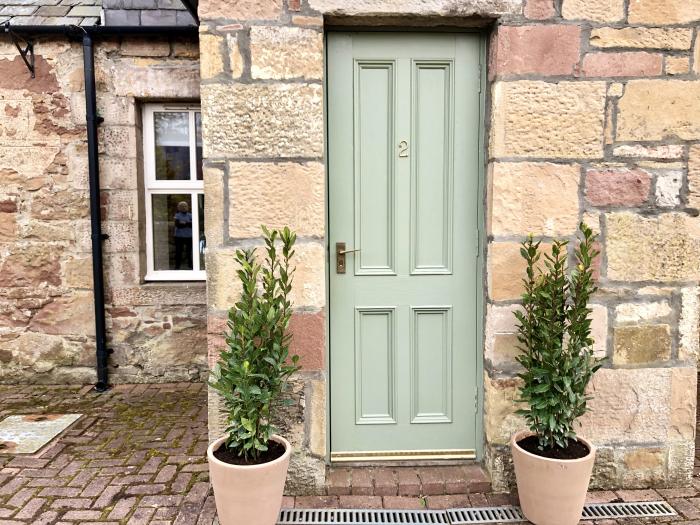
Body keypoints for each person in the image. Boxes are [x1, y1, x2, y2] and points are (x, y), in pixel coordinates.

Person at [174, 200, 192, 270]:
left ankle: (191, 266)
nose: (184, 207)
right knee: (178, 252)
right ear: (179, 207)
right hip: (179, 237)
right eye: (182, 206)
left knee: (189, 252)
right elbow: (178, 225)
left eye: (185, 206)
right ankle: (177, 266)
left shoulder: (190, 215)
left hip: (189, 236)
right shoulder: (177, 215)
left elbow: (192, 225)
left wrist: (184, 223)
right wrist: (187, 223)